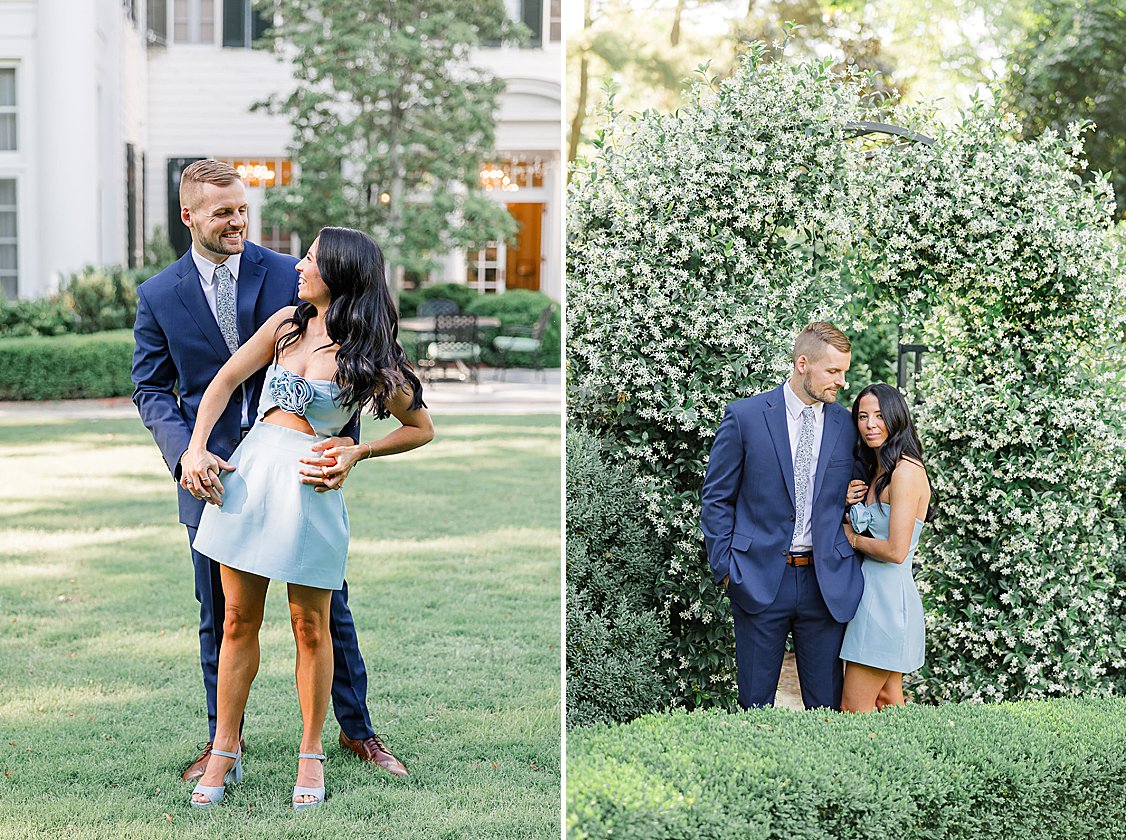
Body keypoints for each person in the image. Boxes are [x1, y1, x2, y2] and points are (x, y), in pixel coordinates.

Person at [131, 160, 409, 785]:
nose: (237, 221)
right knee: (221, 615)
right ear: (189, 216)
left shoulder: (293, 275)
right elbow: (151, 389)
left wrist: (345, 448)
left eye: (242, 209)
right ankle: (222, 745)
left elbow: (353, 360)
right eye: (222, 213)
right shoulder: (158, 294)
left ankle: (357, 731)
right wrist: (188, 454)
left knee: (326, 614)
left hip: (301, 471)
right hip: (212, 476)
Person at [183, 226, 433, 809]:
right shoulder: (284, 325)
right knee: (237, 621)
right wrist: (195, 449)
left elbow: (421, 427)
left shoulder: (369, 354)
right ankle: (224, 751)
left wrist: (358, 450)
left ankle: (312, 753)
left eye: (313, 259)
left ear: (340, 274)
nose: (299, 265)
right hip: (250, 481)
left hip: (308, 490)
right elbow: (224, 381)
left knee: (311, 628)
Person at [701, 322, 866, 710]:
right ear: (803, 364)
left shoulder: (846, 425)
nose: (842, 382)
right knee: (754, 706)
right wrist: (725, 568)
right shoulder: (745, 417)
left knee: (826, 709)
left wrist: (845, 498)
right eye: (833, 371)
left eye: (844, 371)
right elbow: (716, 498)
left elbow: (862, 484)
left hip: (825, 583)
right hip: (757, 578)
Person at [839, 383, 932, 713]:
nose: (870, 424)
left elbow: (896, 550)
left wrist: (851, 537)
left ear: (896, 417)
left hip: (887, 602)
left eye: (879, 416)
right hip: (871, 595)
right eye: (862, 416)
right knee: (887, 702)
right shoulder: (878, 468)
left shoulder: (906, 472)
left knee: (853, 707)